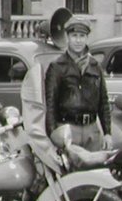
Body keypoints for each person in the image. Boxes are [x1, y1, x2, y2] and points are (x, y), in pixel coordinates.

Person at [44, 16, 112, 151]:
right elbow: (50, 105)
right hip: (68, 129)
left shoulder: (95, 66)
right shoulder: (57, 66)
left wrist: (108, 133)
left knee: (94, 170)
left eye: (82, 36)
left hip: (92, 131)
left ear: (87, 38)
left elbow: (103, 103)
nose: (78, 40)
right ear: (67, 37)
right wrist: (53, 134)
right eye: (74, 35)